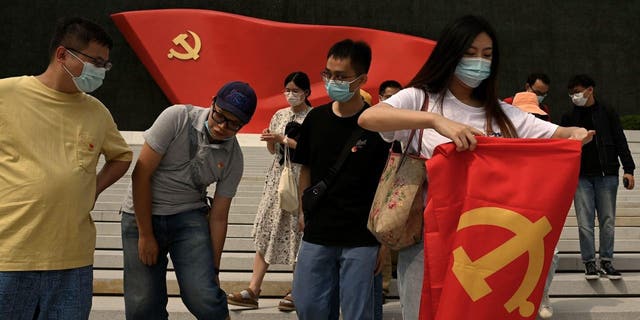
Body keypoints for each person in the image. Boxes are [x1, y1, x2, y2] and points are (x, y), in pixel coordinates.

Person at [358, 15, 593, 319]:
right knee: (423, 310)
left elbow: (556, 134)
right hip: (428, 239)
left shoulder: (503, 114)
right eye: (470, 53)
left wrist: (575, 135)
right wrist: (436, 121)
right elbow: (369, 118)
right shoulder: (421, 99)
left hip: (483, 239)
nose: (478, 62)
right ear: (450, 54)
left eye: (486, 55)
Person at [0, 17, 132, 319]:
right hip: (11, 254)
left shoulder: (96, 112)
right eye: (95, 62)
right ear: (63, 55)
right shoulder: (7, 94)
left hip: (72, 259)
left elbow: (121, 156)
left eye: (105, 65)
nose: (100, 71)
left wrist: (92, 189)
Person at [120, 81, 257, 320]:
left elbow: (218, 216)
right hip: (142, 214)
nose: (222, 127)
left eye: (234, 124)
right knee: (142, 303)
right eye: (220, 116)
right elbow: (141, 174)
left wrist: (213, 269)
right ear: (213, 102)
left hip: (188, 217)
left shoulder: (234, 158)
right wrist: (145, 234)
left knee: (204, 295)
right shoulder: (177, 117)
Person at [292, 39, 390, 320]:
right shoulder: (315, 119)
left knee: (359, 313)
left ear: (361, 79)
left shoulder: (377, 125)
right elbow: (306, 168)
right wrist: (302, 210)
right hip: (318, 230)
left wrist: (382, 241)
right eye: (328, 74)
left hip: (362, 236)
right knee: (308, 305)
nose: (332, 81)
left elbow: (385, 182)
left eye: (341, 76)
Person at [226, 72, 312, 311]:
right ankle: (254, 289)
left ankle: (298, 290)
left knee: (299, 236)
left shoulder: (314, 118)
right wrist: (270, 140)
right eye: (287, 89)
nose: (290, 94)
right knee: (267, 231)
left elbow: (310, 151)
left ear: (306, 92)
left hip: (300, 181)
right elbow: (274, 152)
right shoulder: (280, 115)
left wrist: (283, 138)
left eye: (296, 90)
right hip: (278, 181)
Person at [560, 74, 635, 281]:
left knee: (607, 220)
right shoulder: (569, 116)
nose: (575, 96)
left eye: (578, 91)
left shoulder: (607, 111)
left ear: (590, 90)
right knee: (585, 222)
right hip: (581, 177)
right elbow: (562, 147)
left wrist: (629, 168)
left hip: (607, 174)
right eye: (572, 93)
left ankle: (607, 261)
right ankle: (589, 263)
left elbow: (619, 138)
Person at [512, 91, 558, 319]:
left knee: (552, 254)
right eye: (526, 115)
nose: (531, 121)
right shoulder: (499, 140)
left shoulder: (546, 142)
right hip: (506, 209)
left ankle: (542, 295)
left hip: (540, 208)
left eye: (535, 117)